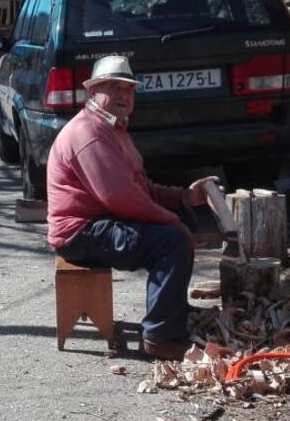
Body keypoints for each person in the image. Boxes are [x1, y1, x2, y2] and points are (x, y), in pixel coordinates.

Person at [46, 55, 217, 361]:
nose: (124, 95)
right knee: (172, 241)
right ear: (93, 92)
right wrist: (172, 222)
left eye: (129, 89)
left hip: (98, 222)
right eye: (114, 87)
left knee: (177, 226)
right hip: (79, 235)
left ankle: (171, 312)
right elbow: (121, 198)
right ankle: (160, 338)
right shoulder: (89, 133)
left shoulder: (113, 130)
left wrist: (185, 198)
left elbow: (142, 188)